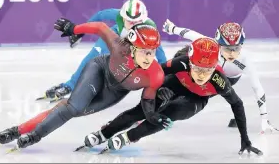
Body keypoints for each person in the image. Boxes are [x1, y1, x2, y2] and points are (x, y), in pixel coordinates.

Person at [0, 19, 170, 152]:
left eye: (152, 52)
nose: (149, 58)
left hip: (114, 93)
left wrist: (153, 116)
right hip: (99, 71)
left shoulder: (155, 75)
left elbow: (147, 101)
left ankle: (17, 130)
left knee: (66, 109)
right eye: (145, 52)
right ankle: (33, 136)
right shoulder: (118, 47)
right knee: (72, 108)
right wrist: (74, 28)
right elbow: (100, 27)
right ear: (133, 48)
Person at [79, 37, 263, 156]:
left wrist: (245, 139)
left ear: (214, 67)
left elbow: (237, 105)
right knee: (140, 111)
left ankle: (130, 136)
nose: (201, 75)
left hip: (197, 99)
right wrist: (159, 89)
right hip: (175, 84)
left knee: (170, 114)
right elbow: (153, 74)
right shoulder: (179, 64)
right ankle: (104, 132)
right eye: (197, 68)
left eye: (207, 70)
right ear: (189, 62)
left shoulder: (219, 80)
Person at [39, 0, 167, 102]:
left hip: (132, 47)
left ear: (142, 19)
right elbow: (99, 16)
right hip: (114, 36)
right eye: (128, 20)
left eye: (136, 22)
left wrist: (165, 78)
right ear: (122, 16)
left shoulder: (149, 28)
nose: (132, 24)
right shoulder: (118, 15)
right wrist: (80, 32)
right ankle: (69, 85)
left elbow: (159, 53)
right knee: (92, 58)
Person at [162, 19, 278, 133]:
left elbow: (257, 88)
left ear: (241, 45)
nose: (231, 53)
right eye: (227, 49)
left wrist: (264, 118)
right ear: (218, 44)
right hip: (207, 71)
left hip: (224, 79)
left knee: (191, 96)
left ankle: (169, 111)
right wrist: (172, 28)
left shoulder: (244, 62)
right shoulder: (211, 44)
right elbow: (190, 34)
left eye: (236, 48)